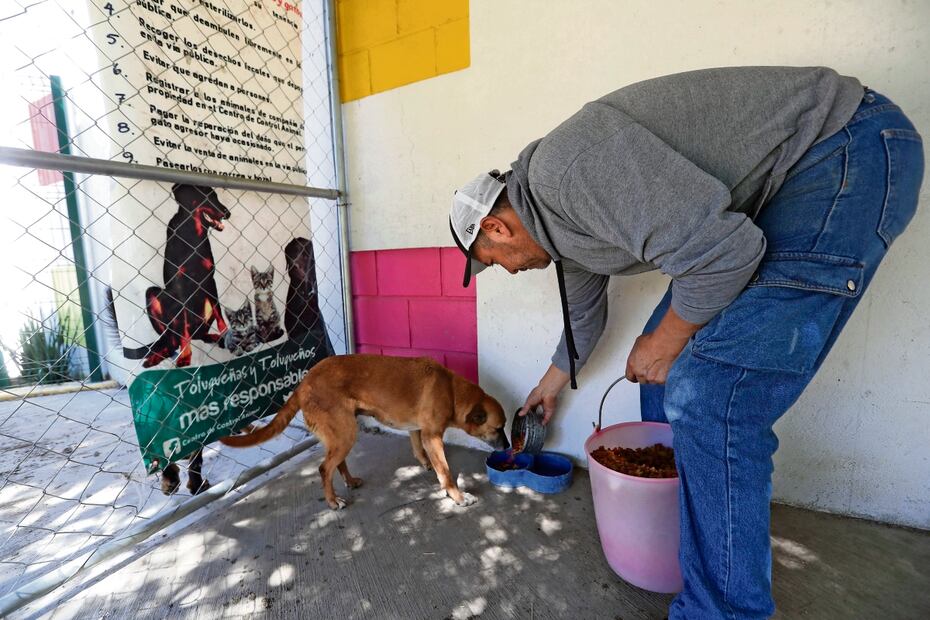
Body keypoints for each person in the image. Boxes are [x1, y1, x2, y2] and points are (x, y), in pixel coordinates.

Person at [448, 66, 924, 618]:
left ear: (496, 230)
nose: (505, 273)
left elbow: (724, 256)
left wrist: (666, 342)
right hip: (789, 188)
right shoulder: (562, 235)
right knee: (664, 387)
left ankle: (719, 608)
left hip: (843, 155)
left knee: (709, 399)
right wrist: (547, 387)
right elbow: (583, 319)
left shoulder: (567, 175)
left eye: (491, 265)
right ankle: (693, 549)